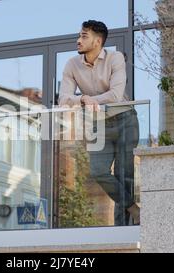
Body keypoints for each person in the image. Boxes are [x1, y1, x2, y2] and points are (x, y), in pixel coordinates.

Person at [58, 20, 140, 225]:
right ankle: (133, 208)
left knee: (124, 176)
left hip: (124, 119)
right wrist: (83, 99)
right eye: (79, 35)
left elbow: (115, 94)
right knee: (97, 171)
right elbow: (64, 99)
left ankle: (122, 230)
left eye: (84, 36)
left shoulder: (115, 58)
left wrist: (93, 99)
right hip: (99, 124)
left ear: (98, 41)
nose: (78, 40)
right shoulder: (72, 65)